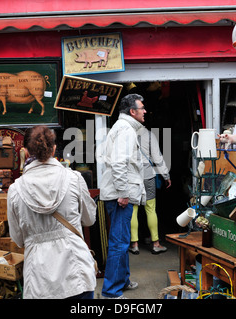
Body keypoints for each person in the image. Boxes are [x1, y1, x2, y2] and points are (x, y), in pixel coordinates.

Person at [7, 125, 97, 299]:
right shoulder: (74, 178)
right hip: (77, 273)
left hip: (39, 280)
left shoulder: (15, 190)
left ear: (25, 152)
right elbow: (90, 219)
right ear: (54, 149)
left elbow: (17, 239)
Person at [99, 93, 147, 299]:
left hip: (119, 192)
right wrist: (123, 193)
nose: (145, 111)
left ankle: (123, 280)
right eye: (142, 108)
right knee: (119, 243)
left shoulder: (123, 128)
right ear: (132, 112)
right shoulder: (126, 130)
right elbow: (119, 163)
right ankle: (111, 292)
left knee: (123, 240)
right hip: (120, 195)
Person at [130, 126, 171, 255]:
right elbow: (157, 157)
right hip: (148, 175)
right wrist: (166, 175)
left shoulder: (126, 134)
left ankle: (134, 244)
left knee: (133, 210)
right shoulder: (148, 135)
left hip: (132, 176)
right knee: (151, 208)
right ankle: (156, 244)